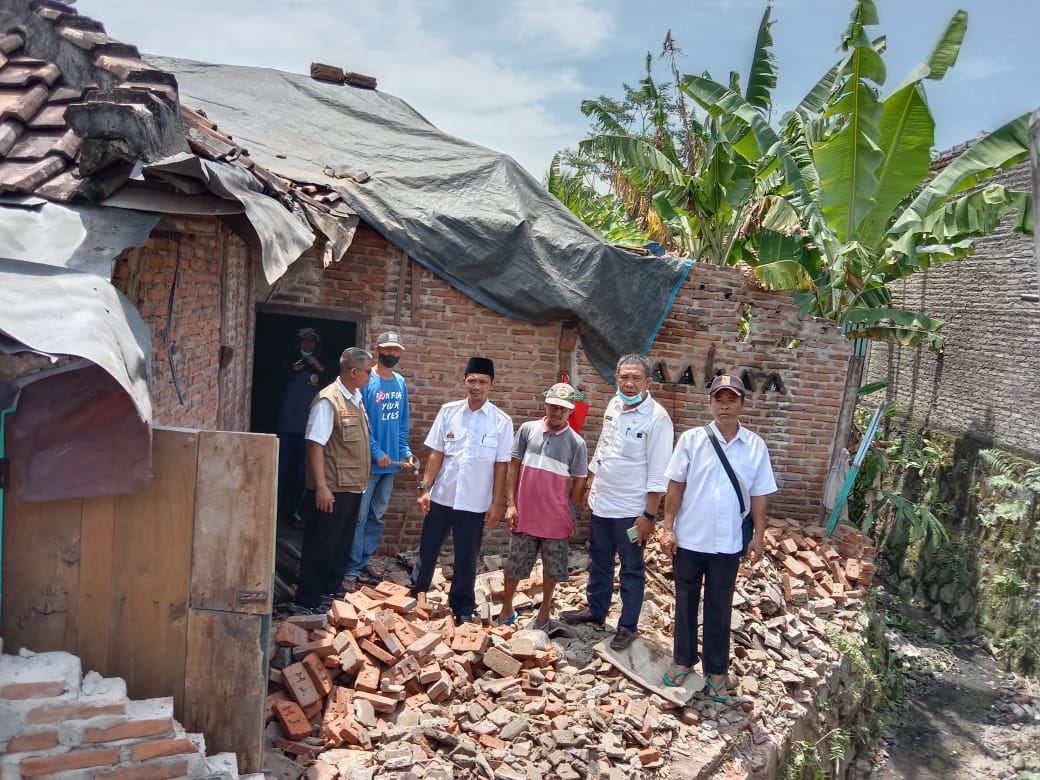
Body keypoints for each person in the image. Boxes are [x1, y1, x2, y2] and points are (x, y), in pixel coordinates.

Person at [659, 374, 777, 703]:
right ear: (710, 403)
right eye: (718, 399)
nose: (724, 405)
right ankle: (682, 660)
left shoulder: (755, 446)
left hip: (728, 543)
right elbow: (676, 486)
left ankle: (716, 671)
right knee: (684, 603)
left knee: (719, 607)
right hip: (689, 539)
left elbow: (760, 495)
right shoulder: (693, 440)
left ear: (743, 404)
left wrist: (758, 536)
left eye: (731, 399)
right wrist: (667, 528)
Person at [561, 353, 674, 651]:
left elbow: (659, 473)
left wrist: (648, 516)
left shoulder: (658, 419)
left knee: (631, 569)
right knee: (599, 562)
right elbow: (603, 446)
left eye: (636, 377)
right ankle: (596, 611)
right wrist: (590, 484)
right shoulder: (613, 405)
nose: (629, 382)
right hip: (603, 504)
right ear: (616, 378)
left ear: (648, 382)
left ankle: (627, 626)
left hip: (631, 513)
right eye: (624, 376)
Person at [410, 356, 513, 625]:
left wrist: (496, 503)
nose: (476, 386)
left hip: (475, 501)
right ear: (464, 381)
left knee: (467, 555)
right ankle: (417, 592)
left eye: (482, 381)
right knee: (428, 548)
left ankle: (462, 606)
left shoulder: (501, 422)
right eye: (472, 380)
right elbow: (436, 454)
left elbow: (502, 466)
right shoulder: (448, 412)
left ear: (492, 384)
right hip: (443, 495)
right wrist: (425, 488)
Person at [290, 347, 375, 615]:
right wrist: (322, 487)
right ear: (353, 372)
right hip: (333, 488)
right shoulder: (329, 401)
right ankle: (307, 600)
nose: (370, 377)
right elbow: (315, 445)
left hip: (352, 485)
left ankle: (329, 592)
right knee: (320, 544)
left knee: (340, 544)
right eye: (368, 372)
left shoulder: (356, 397)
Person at [497, 383, 589, 630]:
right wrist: (511, 504)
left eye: (563, 408)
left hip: (556, 521)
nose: (557, 412)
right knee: (514, 566)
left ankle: (544, 612)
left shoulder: (576, 443)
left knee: (553, 571)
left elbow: (580, 479)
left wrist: (568, 505)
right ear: (545, 404)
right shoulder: (528, 430)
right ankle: (506, 609)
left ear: (571, 411)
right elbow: (513, 465)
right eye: (553, 406)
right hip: (524, 516)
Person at [343, 331, 417, 592]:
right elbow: (363, 424)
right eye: (388, 349)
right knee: (358, 517)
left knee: (376, 515)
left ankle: (364, 560)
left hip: (391, 466)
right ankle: (350, 568)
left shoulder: (399, 383)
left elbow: (401, 424)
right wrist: (376, 452)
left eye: (397, 351)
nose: (392, 355)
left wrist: (404, 451)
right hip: (368, 465)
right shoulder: (367, 381)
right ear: (377, 349)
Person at [276, 327, 327, 528]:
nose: (308, 346)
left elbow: (333, 382)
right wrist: (290, 369)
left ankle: (294, 514)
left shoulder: (322, 367)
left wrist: (320, 369)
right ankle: (274, 512)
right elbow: (272, 385)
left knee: (302, 476)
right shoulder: (286, 363)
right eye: (304, 341)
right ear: (298, 343)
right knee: (280, 472)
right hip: (286, 428)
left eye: (312, 342)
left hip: (308, 432)